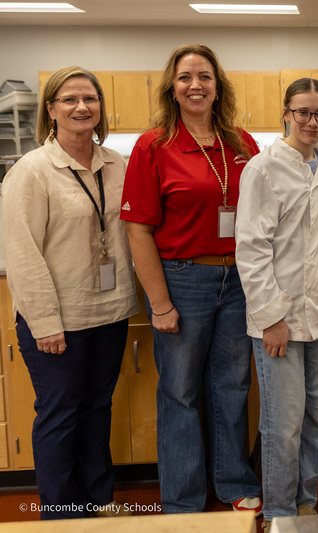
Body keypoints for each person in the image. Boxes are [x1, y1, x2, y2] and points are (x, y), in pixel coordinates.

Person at [120, 44, 261, 514]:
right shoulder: (153, 145)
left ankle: (233, 481)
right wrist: (159, 304)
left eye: (204, 76)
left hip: (239, 280)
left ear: (218, 86)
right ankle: (182, 498)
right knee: (179, 392)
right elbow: (137, 228)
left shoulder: (242, 144)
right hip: (183, 279)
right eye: (185, 77)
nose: (195, 85)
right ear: (172, 89)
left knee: (232, 385)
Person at [2, 66, 138, 519]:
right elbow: (22, 254)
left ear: (102, 108)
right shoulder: (32, 171)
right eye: (69, 99)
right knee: (60, 417)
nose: (82, 107)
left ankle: (97, 502)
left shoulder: (116, 164)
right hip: (58, 320)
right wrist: (44, 323)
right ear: (51, 110)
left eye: (90, 99)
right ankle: (62, 517)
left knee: (98, 408)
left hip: (111, 312)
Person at [236, 78, 318, 532]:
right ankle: (279, 511)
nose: (312, 122)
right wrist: (272, 317)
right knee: (282, 423)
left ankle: (305, 501)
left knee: (317, 416)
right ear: (286, 113)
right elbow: (252, 248)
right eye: (303, 112)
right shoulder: (262, 169)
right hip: (279, 317)